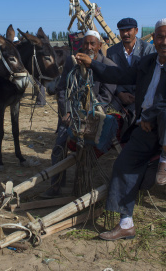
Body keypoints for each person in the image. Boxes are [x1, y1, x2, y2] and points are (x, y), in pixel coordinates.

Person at [75, 18, 166, 241]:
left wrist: (151, 114)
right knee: (124, 163)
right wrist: (92, 64)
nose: (164, 42)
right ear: (153, 39)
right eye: (160, 37)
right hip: (146, 126)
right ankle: (126, 224)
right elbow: (119, 75)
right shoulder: (146, 62)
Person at [41, 30, 116, 198]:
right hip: (71, 115)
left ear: (99, 46)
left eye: (93, 44)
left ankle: (87, 186)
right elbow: (62, 89)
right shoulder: (72, 62)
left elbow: (106, 96)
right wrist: (66, 111)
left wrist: (91, 113)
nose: (89, 47)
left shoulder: (108, 65)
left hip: (95, 115)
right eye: (86, 44)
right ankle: (56, 186)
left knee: (91, 149)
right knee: (59, 147)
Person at [106, 18, 155, 131]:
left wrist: (139, 96)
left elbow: (150, 77)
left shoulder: (148, 49)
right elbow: (110, 76)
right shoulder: (112, 52)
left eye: (129, 30)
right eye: (122, 31)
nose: (125, 34)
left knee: (133, 115)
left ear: (136, 31)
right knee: (109, 113)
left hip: (141, 95)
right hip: (120, 93)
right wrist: (120, 93)